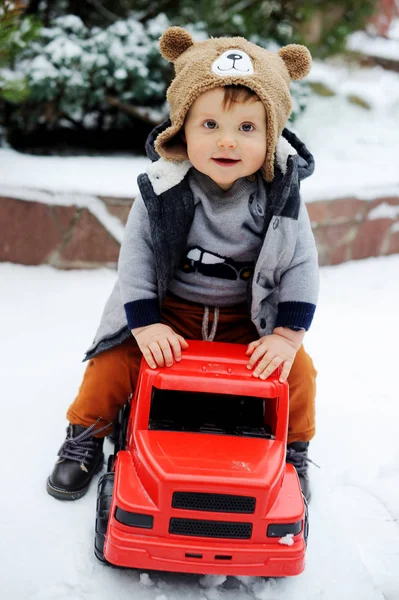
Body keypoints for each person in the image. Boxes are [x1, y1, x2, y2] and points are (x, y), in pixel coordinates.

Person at [47, 26, 318, 503]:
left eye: (247, 128)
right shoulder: (163, 188)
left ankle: (292, 450)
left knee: (298, 374)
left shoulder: (279, 196)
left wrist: (286, 336)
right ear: (182, 128)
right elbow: (136, 258)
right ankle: (84, 435)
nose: (227, 142)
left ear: (271, 133)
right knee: (113, 360)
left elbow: (300, 263)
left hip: (245, 320)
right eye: (209, 125)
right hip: (171, 313)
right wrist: (147, 325)